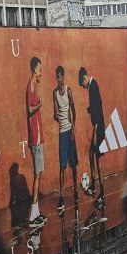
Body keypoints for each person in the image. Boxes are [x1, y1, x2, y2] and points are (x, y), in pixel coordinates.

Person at [77, 66, 105, 205]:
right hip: (98, 126)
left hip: (98, 127)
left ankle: (102, 194)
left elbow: (98, 111)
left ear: (84, 78)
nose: (84, 87)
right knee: (91, 155)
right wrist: (90, 109)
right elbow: (96, 106)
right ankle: (95, 188)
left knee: (97, 160)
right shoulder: (93, 85)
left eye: (83, 85)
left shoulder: (93, 86)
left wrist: (95, 130)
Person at [52, 65, 78, 213]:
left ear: (63, 77)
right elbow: (55, 113)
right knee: (62, 166)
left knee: (73, 165)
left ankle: (75, 192)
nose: (58, 79)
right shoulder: (54, 93)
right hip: (62, 132)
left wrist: (73, 130)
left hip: (70, 132)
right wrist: (57, 117)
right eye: (56, 77)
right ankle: (62, 197)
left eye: (59, 76)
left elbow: (74, 112)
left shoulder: (68, 90)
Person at [25, 57, 45, 225]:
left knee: (40, 173)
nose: (41, 72)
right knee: (37, 174)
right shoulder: (30, 87)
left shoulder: (34, 86)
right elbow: (30, 109)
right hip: (35, 138)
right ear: (34, 69)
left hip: (38, 137)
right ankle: (33, 216)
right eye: (39, 69)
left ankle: (37, 213)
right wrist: (39, 104)